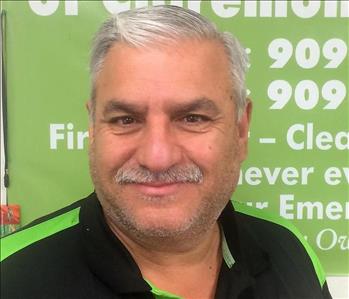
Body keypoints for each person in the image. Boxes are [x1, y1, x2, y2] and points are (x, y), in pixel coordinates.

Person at [0, 5, 332, 299]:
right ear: (92, 129)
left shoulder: (291, 251)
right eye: (126, 119)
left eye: (192, 118)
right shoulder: (10, 277)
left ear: (240, 129)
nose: (157, 157)